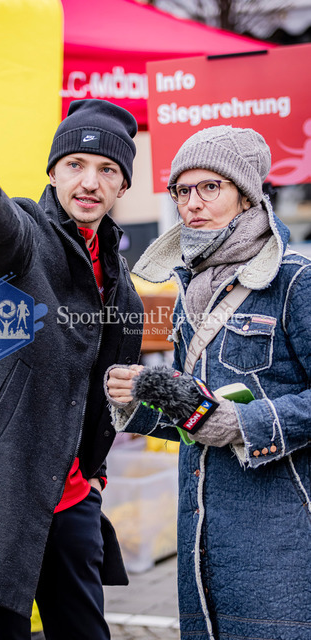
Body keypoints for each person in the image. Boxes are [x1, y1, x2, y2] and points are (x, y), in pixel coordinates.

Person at [0, 99, 144, 640]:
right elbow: (3, 233)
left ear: (123, 186)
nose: (89, 182)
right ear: (53, 173)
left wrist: (94, 473)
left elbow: (105, 385)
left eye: (108, 170)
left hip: (72, 497)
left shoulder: (119, 274)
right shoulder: (31, 233)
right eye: (75, 164)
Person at [106, 125, 311, 640]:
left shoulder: (295, 279)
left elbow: (227, 419)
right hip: (200, 536)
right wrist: (141, 398)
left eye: (210, 187)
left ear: (246, 194)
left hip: (282, 536)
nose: (192, 203)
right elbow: (196, 416)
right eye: (182, 190)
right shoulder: (190, 285)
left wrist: (245, 423)